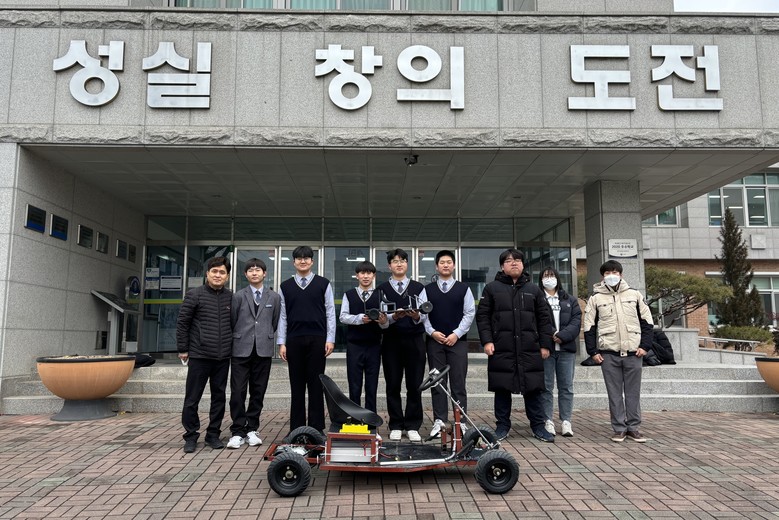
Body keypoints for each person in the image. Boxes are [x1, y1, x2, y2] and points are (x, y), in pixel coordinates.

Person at [475, 248, 556, 443]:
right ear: (502, 266)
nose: (514, 263)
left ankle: (538, 426)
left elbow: (544, 319)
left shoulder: (533, 290)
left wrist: (545, 345)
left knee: (533, 388)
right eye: (509, 260)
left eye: (518, 260)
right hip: (502, 347)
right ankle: (502, 426)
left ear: (523, 265)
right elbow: (483, 317)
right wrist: (487, 341)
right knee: (502, 388)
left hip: (530, 347)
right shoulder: (491, 288)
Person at [583, 260, 654, 443]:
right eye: (607, 273)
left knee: (633, 393)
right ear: (603, 276)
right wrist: (592, 352)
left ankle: (634, 428)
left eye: (615, 272)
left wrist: (645, 346)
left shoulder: (634, 294)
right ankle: (619, 428)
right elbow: (589, 327)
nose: (611, 276)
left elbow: (647, 322)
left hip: (633, 353)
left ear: (621, 274)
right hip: (608, 354)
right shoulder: (596, 298)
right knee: (614, 394)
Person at [176, 256, 233, 453]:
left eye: (222, 272)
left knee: (219, 398)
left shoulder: (231, 297)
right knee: (192, 398)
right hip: (199, 355)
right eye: (214, 271)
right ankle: (191, 435)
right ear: (207, 273)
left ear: (227, 276)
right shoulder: (194, 295)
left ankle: (213, 434)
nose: (218, 275)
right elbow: (183, 323)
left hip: (222, 356)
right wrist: (183, 349)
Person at [278, 246, 336, 433]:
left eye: (306, 258)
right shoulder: (285, 286)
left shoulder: (323, 283)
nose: (303, 261)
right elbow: (283, 316)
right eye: (299, 258)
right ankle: (296, 428)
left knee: (316, 385)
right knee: (296, 386)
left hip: (318, 339)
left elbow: (330, 313)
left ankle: (316, 428)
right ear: (294, 262)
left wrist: (330, 339)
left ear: (312, 261)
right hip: (294, 340)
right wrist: (282, 342)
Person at [418, 250, 475, 439]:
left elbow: (469, 313)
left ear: (454, 265)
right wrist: (432, 332)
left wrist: (456, 334)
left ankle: (461, 421)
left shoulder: (463, 289)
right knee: (437, 383)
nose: (445, 265)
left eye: (449, 262)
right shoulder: (427, 290)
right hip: (435, 342)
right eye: (442, 262)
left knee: (458, 382)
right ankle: (439, 420)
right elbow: (423, 315)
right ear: (436, 266)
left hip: (457, 342)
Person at [226, 258, 281, 449]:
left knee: (258, 391)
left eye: (258, 270)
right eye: (251, 270)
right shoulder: (238, 296)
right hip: (241, 349)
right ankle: (237, 430)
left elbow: (274, 322)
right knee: (238, 392)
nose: (254, 273)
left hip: (263, 350)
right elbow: (232, 320)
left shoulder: (274, 297)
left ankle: (252, 429)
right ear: (245, 274)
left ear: (264, 273)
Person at [378, 248, 426, 442]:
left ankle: (413, 425)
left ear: (407, 264)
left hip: (415, 340)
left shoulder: (418, 287)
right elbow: (381, 319)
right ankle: (396, 424)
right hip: (391, 341)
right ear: (389, 266)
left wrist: (416, 316)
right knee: (393, 384)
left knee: (415, 384)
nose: (399, 264)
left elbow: (425, 314)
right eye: (395, 261)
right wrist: (393, 317)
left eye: (402, 261)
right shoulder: (382, 288)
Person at [538, 266, 582, 438]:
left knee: (566, 387)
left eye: (552, 275)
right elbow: (536, 321)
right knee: (546, 387)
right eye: (545, 276)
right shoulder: (537, 298)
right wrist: (552, 335)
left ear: (557, 278)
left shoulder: (569, 299)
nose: (549, 278)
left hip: (566, 350)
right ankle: (547, 420)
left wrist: (562, 336)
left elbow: (576, 322)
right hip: (546, 350)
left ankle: (566, 421)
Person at [339, 261, 387, 414]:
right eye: (362, 273)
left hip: (374, 345)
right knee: (354, 384)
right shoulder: (349, 294)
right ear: (357, 275)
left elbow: (386, 322)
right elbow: (343, 317)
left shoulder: (380, 294)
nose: (365, 276)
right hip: (354, 345)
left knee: (372, 384)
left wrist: (383, 321)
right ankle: (355, 417)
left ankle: (371, 418)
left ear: (374, 276)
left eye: (369, 273)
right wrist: (360, 319)